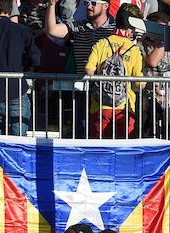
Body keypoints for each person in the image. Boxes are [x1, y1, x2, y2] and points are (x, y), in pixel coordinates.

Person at [0, 0, 41, 135]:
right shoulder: (23, 31)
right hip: (17, 89)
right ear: (10, 10)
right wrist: (22, 67)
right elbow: (36, 59)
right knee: (18, 143)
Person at [83, 5, 143, 138]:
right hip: (125, 108)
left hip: (100, 107)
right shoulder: (134, 50)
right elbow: (140, 83)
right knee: (123, 151)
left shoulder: (101, 44)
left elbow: (89, 69)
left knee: (100, 150)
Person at [42, 0, 113, 78]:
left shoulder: (114, 30)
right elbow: (52, 30)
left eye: (93, 3)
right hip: (81, 85)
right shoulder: (79, 26)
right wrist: (51, 4)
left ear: (105, 6)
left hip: (105, 86)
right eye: (87, 3)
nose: (89, 7)